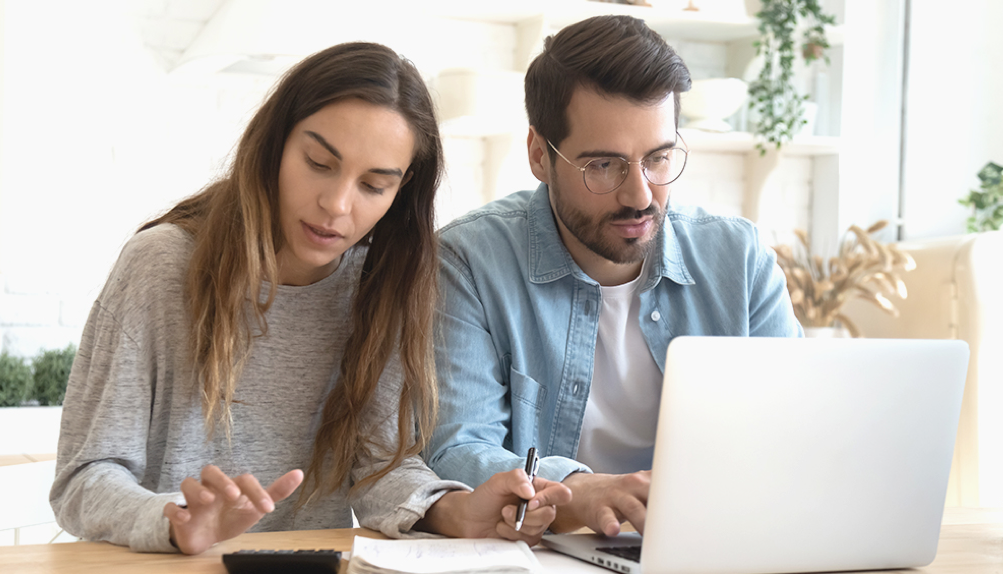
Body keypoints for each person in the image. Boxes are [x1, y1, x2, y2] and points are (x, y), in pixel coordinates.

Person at [50, 42, 570, 555]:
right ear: (275, 144)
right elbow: (85, 476)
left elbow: (378, 469)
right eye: (320, 163)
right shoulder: (160, 267)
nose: (336, 204)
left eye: (373, 185)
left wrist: (458, 510)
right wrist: (175, 520)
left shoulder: (380, 284)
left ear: (401, 190)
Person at [426, 15, 801, 538]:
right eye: (603, 165)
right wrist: (580, 491)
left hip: (714, 542)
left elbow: (798, 429)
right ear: (539, 154)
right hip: (545, 554)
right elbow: (455, 448)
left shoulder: (739, 259)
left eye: (659, 158)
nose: (640, 195)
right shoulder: (467, 260)